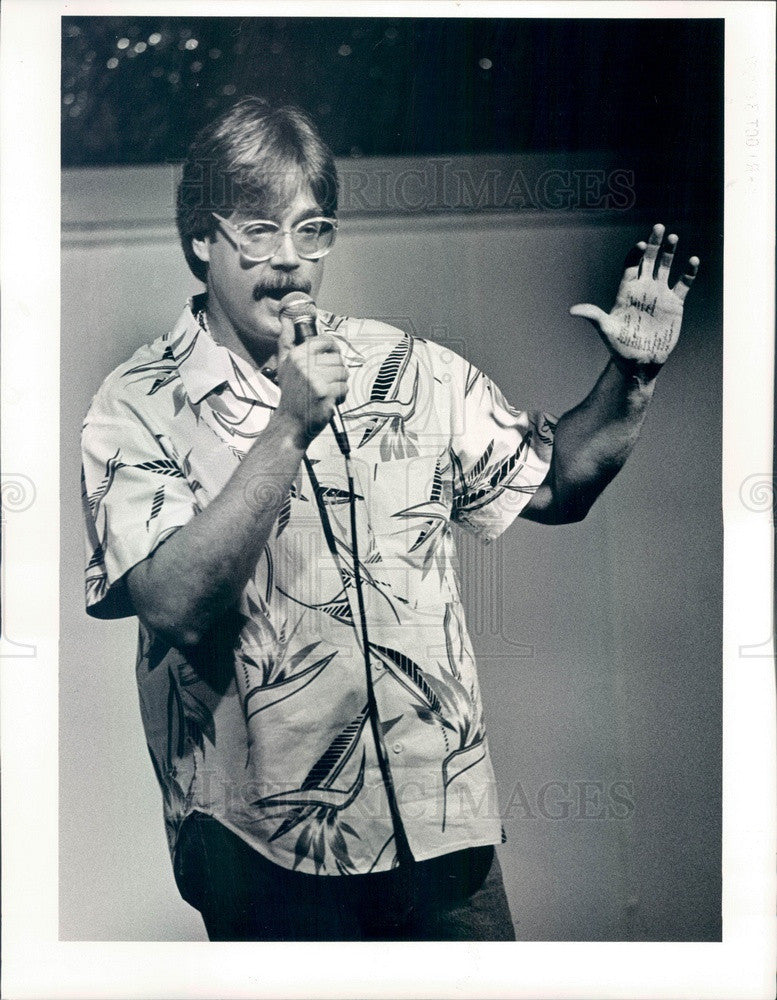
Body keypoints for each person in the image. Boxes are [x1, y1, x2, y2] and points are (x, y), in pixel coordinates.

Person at [80, 96, 699, 941]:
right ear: (200, 238)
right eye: (258, 231)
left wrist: (630, 379)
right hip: (262, 848)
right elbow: (175, 601)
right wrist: (289, 424)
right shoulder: (137, 403)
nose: (289, 262)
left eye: (312, 230)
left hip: (442, 828)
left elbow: (553, 487)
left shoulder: (406, 368)